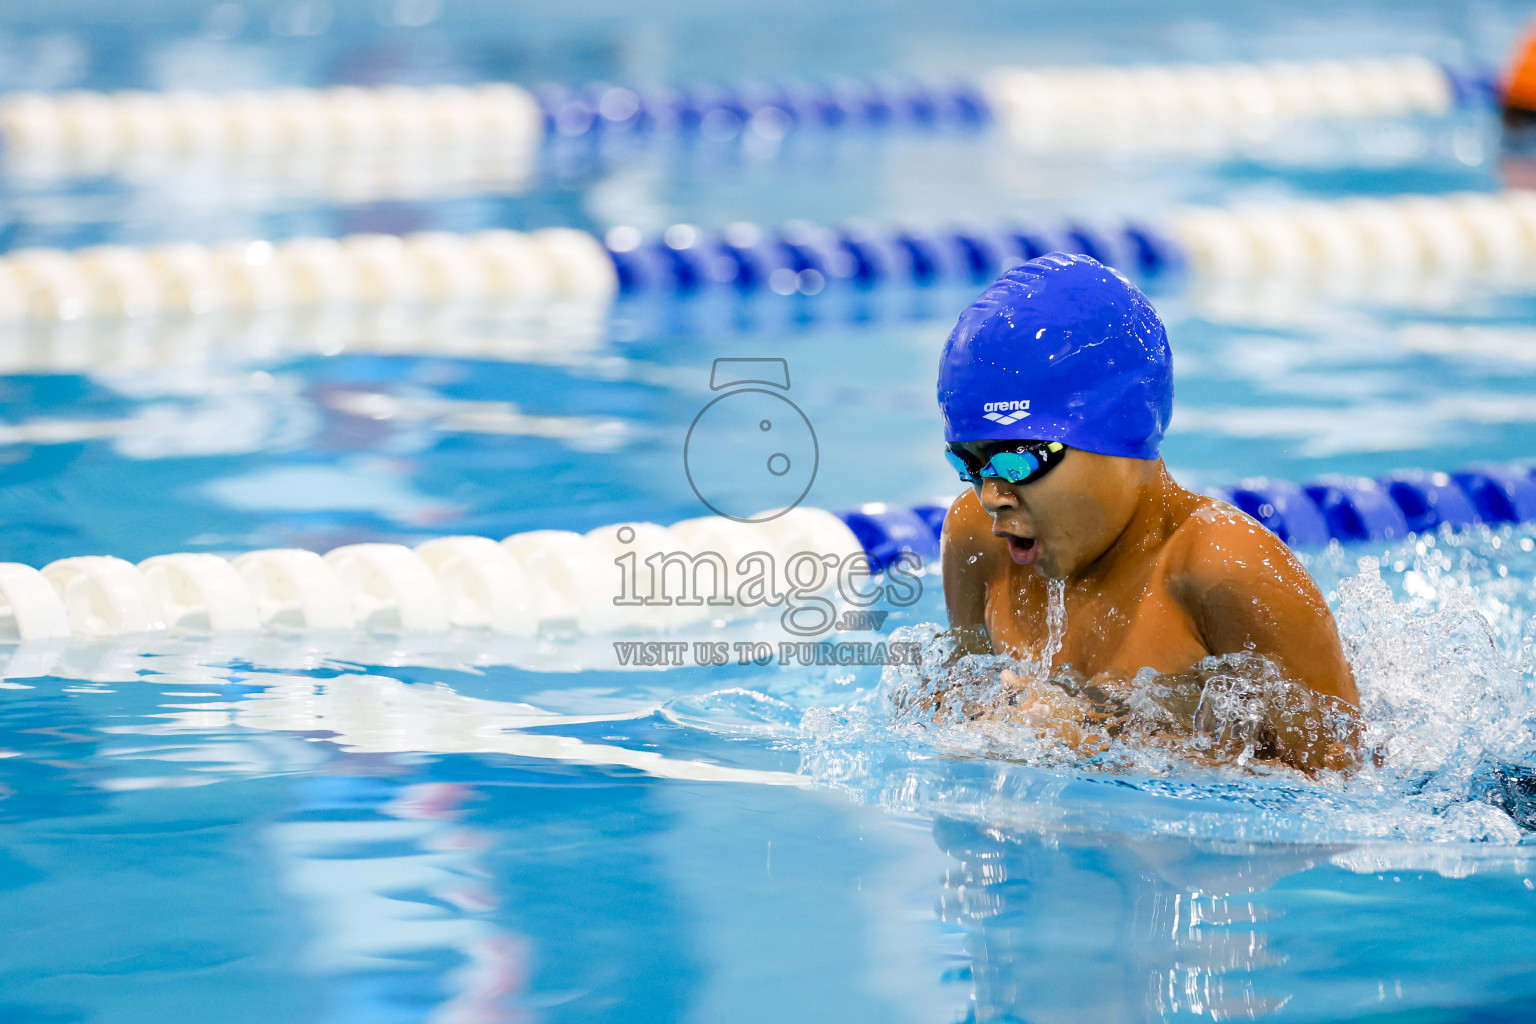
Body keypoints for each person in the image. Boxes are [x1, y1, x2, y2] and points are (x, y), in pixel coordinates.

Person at [935, 252, 1360, 771]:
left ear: (1120, 430)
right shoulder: (978, 539)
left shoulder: (1222, 568)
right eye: (971, 463)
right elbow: (955, 702)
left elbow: (1347, 785)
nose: (990, 494)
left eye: (1017, 459)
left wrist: (1100, 751)